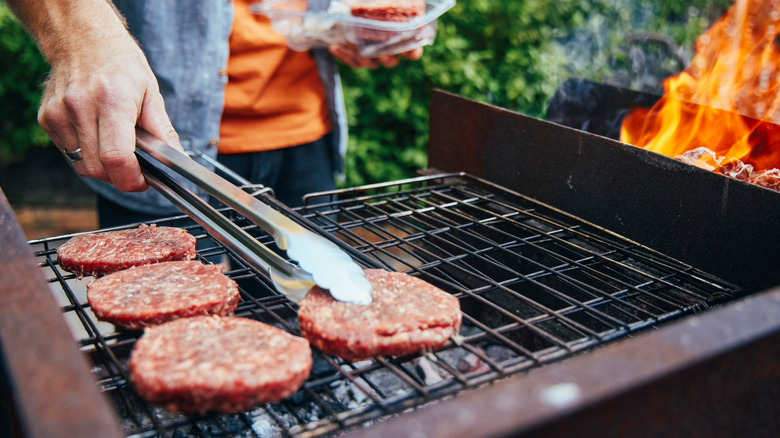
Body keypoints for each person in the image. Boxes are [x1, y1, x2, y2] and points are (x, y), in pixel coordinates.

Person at [6, 0, 422, 227]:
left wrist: (356, 19)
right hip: (159, 147)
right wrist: (83, 40)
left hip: (307, 138)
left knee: (313, 337)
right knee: (167, 347)